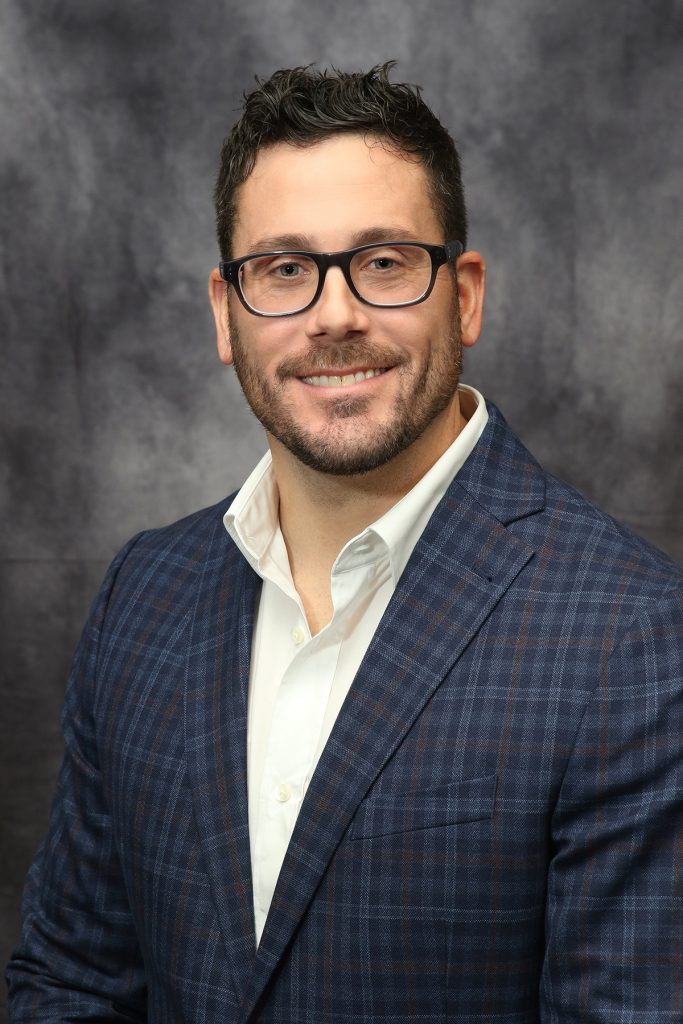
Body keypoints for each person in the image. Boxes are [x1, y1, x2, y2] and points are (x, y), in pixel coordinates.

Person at [6, 63, 683, 1023]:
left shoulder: (635, 638)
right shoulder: (142, 595)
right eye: (284, 268)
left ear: (465, 296)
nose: (333, 314)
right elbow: (72, 984)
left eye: (384, 260)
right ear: (224, 314)